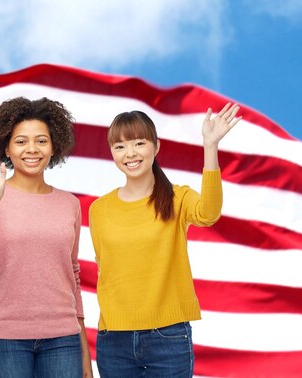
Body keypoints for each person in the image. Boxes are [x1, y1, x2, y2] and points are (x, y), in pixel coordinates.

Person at [89, 103, 241, 376]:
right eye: (120, 146)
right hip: (114, 340)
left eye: (139, 143)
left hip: (168, 337)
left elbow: (209, 213)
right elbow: (106, 269)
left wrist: (210, 146)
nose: (130, 153)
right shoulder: (99, 210)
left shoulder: (177, 197)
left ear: (156, 147)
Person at [0, 97, 93, 378]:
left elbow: (72, 274)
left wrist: (83, 346)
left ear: (53, 146)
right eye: (21, 141)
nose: (31, 149)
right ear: (6, 149)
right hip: (4, 337)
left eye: (41, 141)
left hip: (63, 338)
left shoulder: (69, 204)